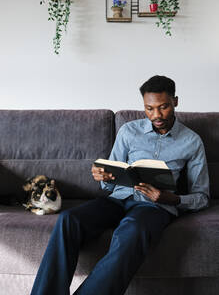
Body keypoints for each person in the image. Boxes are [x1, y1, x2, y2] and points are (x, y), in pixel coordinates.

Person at [30, 75, 210, 295]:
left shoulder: (192, 141)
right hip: (118, 200)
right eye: (149, 108)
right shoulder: (129, 131)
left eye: (163, 107)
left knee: (132, 230)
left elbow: (202, 196)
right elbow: (110, 182)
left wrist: (168, 198)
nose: (156, 115)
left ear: (176, 102)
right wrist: (105, 177)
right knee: (69, 220)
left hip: (154, 207)